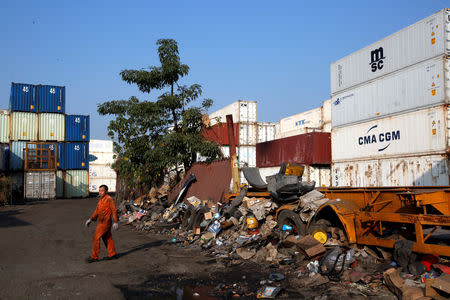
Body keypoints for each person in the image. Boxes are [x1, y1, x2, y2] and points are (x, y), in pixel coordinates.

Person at [85, 184, 119, 263]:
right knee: (107, 237)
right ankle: (112, 254)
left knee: (96, 238)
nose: (100, 192)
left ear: (106, 191)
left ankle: (94, 256)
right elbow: (97, 211)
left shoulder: (109, 199)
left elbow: (114, 210)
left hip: (105, 223)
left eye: (102, 191)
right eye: (99, 191)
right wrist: (91, 219)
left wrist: (116, 221)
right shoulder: (101, 200)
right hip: (101, 222)